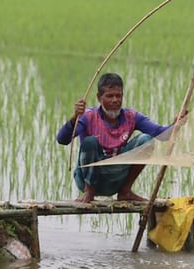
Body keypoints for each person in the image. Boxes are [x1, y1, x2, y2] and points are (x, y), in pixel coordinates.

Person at [57, 72, 178, 203]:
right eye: (109, 96)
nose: (115, 100)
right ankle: (89, 192)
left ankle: (125, 191)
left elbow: (162, 135)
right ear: (99, 98)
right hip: (88, 178)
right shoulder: (88, 116)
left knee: (146, 140)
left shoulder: (131, 116)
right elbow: (62, 139)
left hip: (116, 178)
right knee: (90, 142)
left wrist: (177, 124)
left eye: (118, 96)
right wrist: (75, 118)